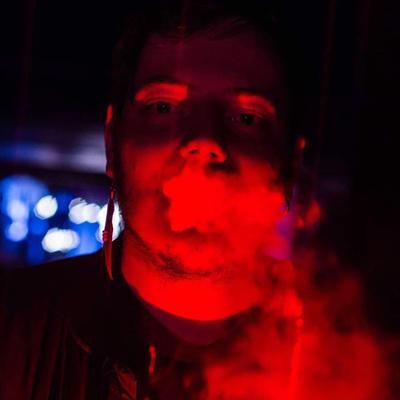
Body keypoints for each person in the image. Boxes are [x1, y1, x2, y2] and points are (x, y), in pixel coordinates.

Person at [0, 1, 388, 399]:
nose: (203, 142)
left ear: (289, 163)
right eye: (163, 107)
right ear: (113, 144)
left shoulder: (364, 372)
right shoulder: (11, 333)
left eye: (246, 117)